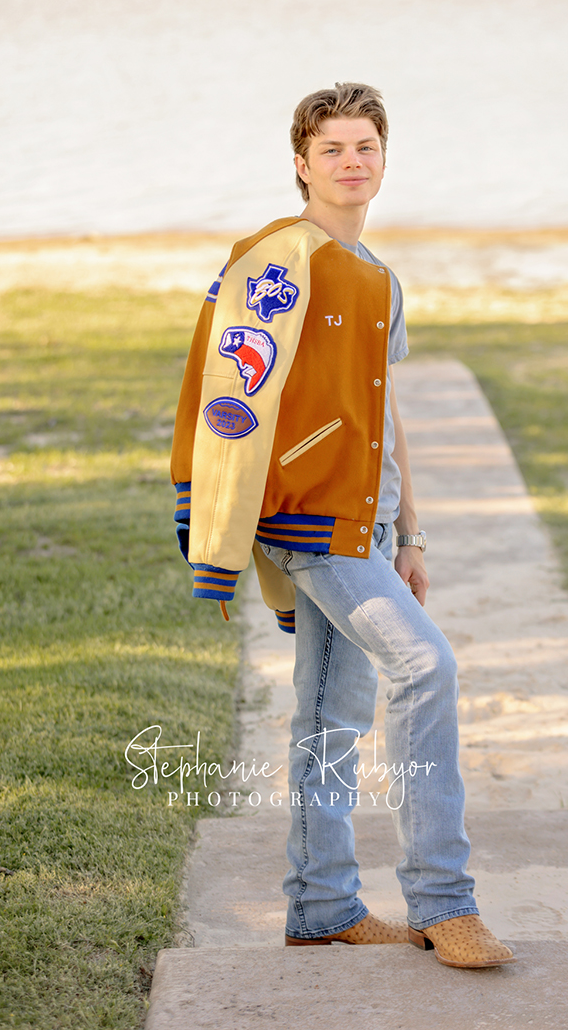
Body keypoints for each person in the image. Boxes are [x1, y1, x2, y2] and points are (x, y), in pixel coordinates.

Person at [170, 82, 514, 969]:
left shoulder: (381, 279)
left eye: (366, 148)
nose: (351, 162)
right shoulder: (277, 264)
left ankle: (322, 906)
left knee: (330, 712)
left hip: (369, 522)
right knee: (425, 664)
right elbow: (228, 395)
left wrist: (412, 533)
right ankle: (446, 903)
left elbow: (384, 411)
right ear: (301, 164)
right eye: (333, 149)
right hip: (305, 516)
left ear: (384, 161)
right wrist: (218, 515)